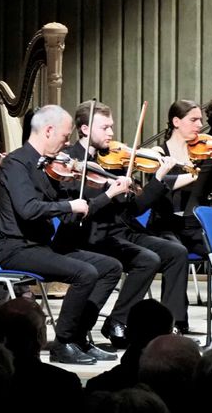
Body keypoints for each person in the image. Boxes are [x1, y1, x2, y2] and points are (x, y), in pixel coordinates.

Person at [0, 104, 122, 364]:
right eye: (65, 137)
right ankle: (62, 343)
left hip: (42, 246)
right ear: (49, 130)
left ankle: (79, 336)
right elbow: (28, 210)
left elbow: (67, 214)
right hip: (17, 248)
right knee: (84, 273)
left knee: (111, 267)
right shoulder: (16, 163)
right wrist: (68, 205)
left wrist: (102, 197)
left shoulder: (49, 166)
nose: (66, 144)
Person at [67, 100, 190, 344]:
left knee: (176, 252)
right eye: (105, 128)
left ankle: (172, 326)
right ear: (84, 129)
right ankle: (118, 321)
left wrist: (157, 179)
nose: (111, 134)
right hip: (95, 235)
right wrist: (109, 191)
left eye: (111, 127)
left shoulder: (114, 159)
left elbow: (134, 209)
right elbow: (82, 208)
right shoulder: (71, 162)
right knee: (147, 259)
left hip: (123, 231)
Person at [146, 100, 208, 257]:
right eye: (193, 120)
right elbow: (161, 181)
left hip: (192, 226)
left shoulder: (200, 154)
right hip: (165, 226)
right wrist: (194, 176)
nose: (199, 125)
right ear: (176, 121)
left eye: (200, 120)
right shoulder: (158, 152)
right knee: (176, 253)